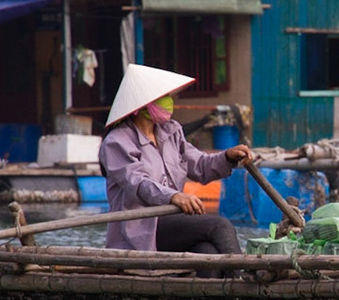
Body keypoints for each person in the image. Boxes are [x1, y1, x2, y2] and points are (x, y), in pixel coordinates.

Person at [98, 64, 250, 255]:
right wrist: (173, 196)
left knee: (207, 250)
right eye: (162, 98)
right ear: (142, 104)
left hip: (173, 220)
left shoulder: (171, 132)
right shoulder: (117, 142)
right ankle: (244, 279)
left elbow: (200, 165)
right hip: (142, 226)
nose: (169, 102)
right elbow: (138, 183)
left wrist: (227, 156)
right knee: (219, 226)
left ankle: (226, 283)